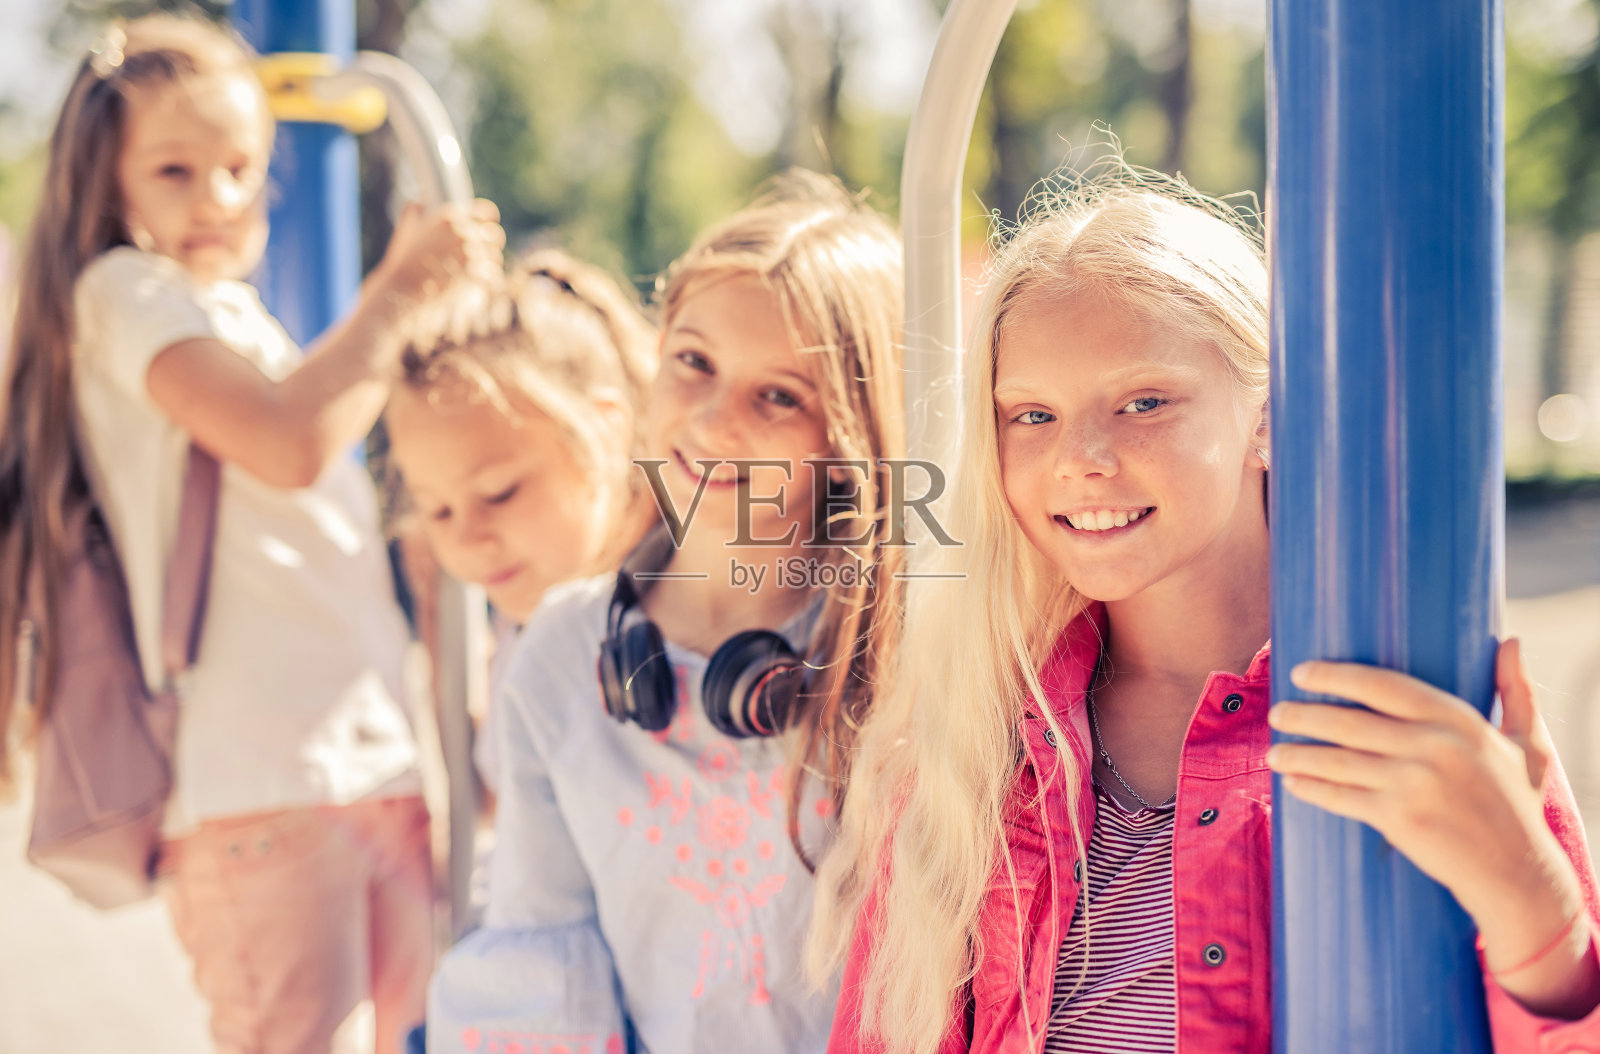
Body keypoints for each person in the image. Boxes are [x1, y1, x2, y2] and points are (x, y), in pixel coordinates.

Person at [810, 165, 1600, 1053]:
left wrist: (1533, 901)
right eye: (1031, 415)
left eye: (1143, 401)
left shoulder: (1405, 693)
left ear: (1267, 414)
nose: (1082, 457)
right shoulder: (970, 745)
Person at [0, 15, 504, 1054]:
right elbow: (285, 440)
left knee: (425, 1031)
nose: (219, 199)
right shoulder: (121, 294)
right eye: (176, 170)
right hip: (253, 780)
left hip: (367, 758)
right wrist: (402, 289)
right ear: (109, 185)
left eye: (241, 167)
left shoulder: (237, 319)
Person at [425, 172, 905, 1054]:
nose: (716, 421)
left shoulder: (901, 649)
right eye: (694, 363)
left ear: (852, 437)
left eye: (779, 397)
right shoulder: (563, 656)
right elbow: (544, 959)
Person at [386, 250, 660, 797]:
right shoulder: (538, 609)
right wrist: (439, 623)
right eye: (437, 509)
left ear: (606, 434)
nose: (465, 540)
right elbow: (498, 790)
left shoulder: (688, 621)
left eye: (498, 493)